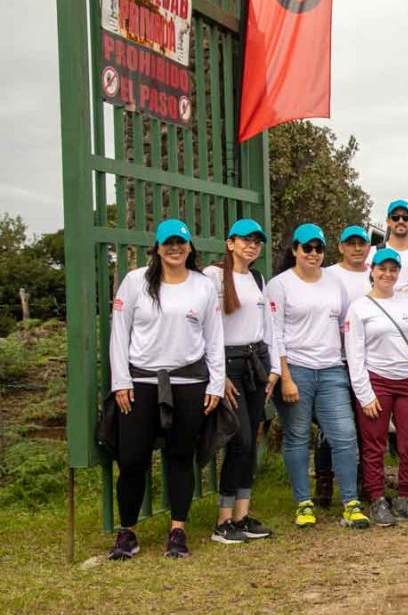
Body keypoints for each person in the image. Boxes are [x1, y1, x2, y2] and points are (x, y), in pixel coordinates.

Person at [107, 219, 224, 560]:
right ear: (157, 248)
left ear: (190, 248)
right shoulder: (135, 282)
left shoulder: (203, 286)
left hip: (189, 382)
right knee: (131, 458)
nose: (175, 248)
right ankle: (127, 532)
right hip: (141, 382)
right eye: (168, 243)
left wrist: (215, 382)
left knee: (179, 456)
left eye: (181, 243)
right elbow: (119, 333)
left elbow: (214, 338)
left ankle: (177, 531)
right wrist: (120, 381)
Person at [267, 224, 367, 529]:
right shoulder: (280, 285)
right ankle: (303, 503)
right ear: (295, 250)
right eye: (306, 248)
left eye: (318, 249)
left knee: (345, 436)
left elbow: (345, 326)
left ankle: (350, 503)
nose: (313, 254)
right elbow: (275, 334)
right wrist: (285, 377)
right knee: (298, 437)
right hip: (295, 368)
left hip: (332, 370)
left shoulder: (334, 283)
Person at [203, 219, 279, 545]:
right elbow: (206, 329)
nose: (251, 245)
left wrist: (273, 368)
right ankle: (223, 521)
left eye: (257, 241)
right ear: (230, 242)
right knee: (240, 441)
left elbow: (268, 326)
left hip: (256, 364)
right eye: (245, 240)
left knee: (252, 442)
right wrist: (216, 375)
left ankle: (242, 516)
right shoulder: (212, 277)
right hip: (228, 366)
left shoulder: (258, 279)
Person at [345, 248, 408, 527]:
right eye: (382, 269)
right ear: (372, 270)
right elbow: (354, 354)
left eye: (393, 270)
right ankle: (377, 499)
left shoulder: (407, 302)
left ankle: (404, 496)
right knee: (374, 444)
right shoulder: (360, 307)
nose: (387, 274)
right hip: (376, 379)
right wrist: (364, 393)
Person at [317, 224, 374, 508]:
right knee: (332, 426)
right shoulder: (328, 274)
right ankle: (325, 479)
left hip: (368, 362)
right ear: (340, 246)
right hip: (335, 359)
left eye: (361, 243)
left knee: (365, 423)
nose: (356, 248)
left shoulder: (375, 274)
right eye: (350, 243)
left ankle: (364, 478)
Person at [383, 200, 408, 292]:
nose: (400, 221)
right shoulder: (374, 252)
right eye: (395, 217)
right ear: (388, 221)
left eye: (406, 217)